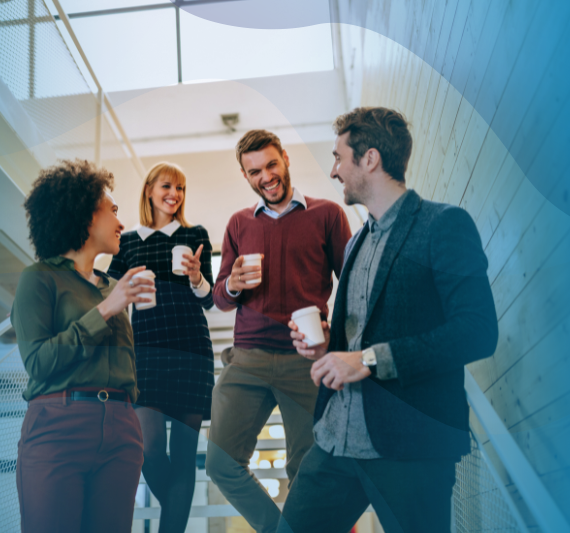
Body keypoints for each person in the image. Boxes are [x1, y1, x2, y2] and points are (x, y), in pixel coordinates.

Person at [278, 107, 499, 533]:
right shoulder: (356, 242)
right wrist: (329, 346)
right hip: (335, 440)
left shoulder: (444, 225)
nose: (333, 171)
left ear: (370, 159)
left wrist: (370, 359)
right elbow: (362, 335)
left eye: (339, 158)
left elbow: (477, 332)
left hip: (410, 446)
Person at [206, 130, 352, 533]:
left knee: (305, 470)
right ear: (245, 175)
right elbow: (220, 297)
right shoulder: (238, 223)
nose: (266, 176)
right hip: (247, 359)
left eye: (272, 164)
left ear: (285, 159)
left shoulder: (326, 214)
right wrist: (233, 283)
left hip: (304, 363)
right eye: (255, 171)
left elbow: (354, 287)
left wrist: (331, 336)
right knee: (219, 462)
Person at [11, 160, 155, 533]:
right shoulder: (39, 279)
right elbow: (39, 363)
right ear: (86, 215)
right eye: (113, 210)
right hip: (58, 427)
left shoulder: (112, 286)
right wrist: (107, 310)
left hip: (122, 430)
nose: (122, 222)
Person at [108, 162, 215, 533]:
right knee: (148, 450)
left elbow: (209, 299)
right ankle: (176, 517)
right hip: (147, 352)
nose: (175, 194)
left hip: (191, 350)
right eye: (168, 186)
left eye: (181, 188)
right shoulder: (127, 242)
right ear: (150, 190)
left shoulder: (195, 233)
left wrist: (197, 277)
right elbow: (107, 291)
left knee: (184, 457)